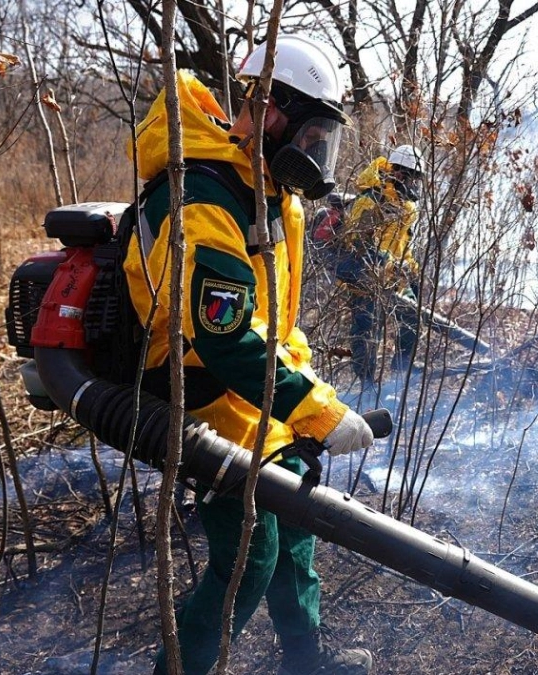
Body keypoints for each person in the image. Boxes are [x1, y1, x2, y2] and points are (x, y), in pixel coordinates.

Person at [122, 34, 375, 675]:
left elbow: (273, 326)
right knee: (250, 553)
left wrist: (312, 401)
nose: (317, 156)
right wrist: (314, 414)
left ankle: (307, 665)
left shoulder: (265, 192)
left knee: (294, 533)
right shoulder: (205, 197)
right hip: (196, 389)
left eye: (326, 142)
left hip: (244, 388)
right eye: (311, 136)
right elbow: (223, 335)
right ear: (267, 110)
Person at [333, 144, 424, 388]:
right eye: (412, 178)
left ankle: (401, 368)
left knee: (412, 317)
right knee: (366, 330)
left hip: (393, 278)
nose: (414, 186)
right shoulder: (370, 201)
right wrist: (388, 265)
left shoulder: (406, 208)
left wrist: (412, 270)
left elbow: (403, 247)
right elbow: (357, 244)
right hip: (364, 277)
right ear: (398, 173)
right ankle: (366, 384)